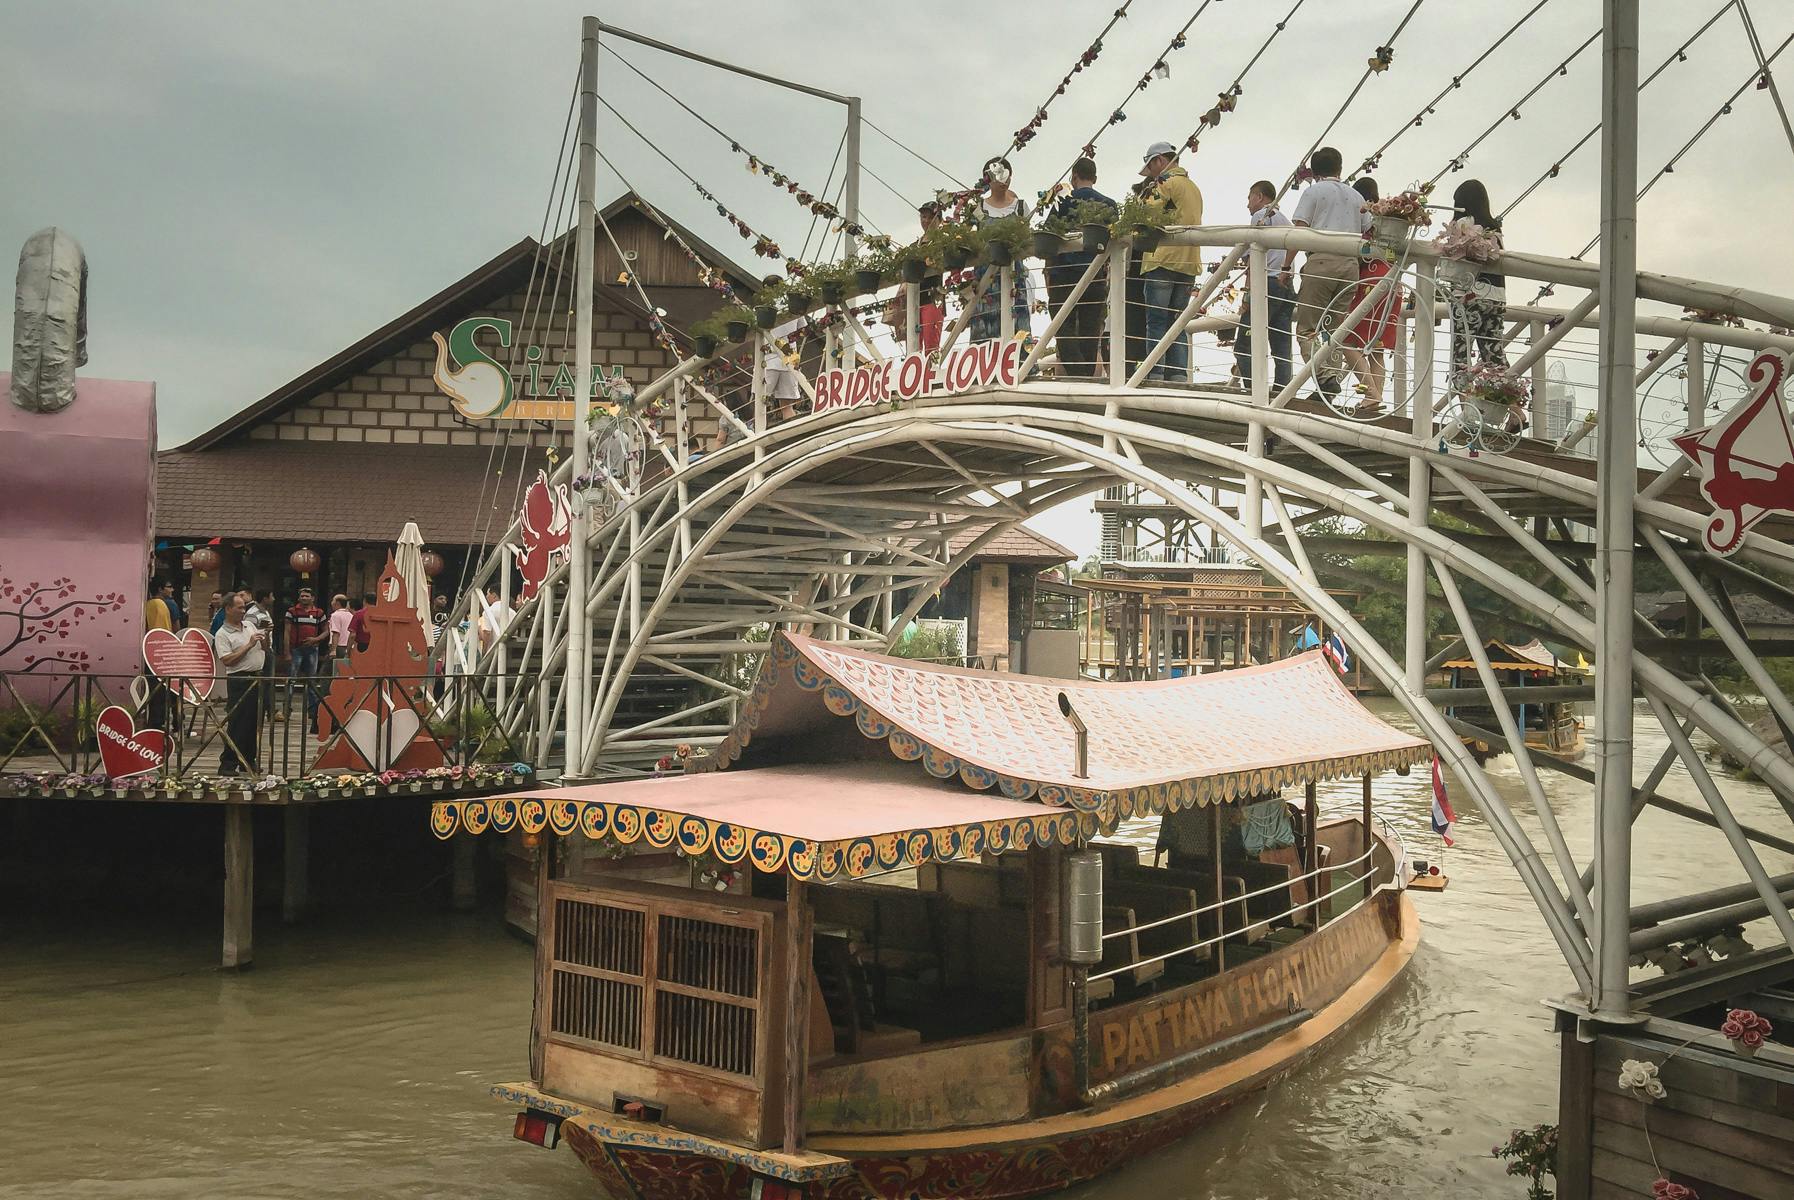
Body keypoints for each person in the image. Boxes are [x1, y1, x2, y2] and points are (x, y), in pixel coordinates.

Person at [1286, 147, 1365, 401]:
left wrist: (1286, 266)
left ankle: (1325, 378)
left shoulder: (1313, 192)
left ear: (1314, 171)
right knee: (1333, 328)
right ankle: (1327, 384)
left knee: (1308, 328)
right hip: (1350, 266)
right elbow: (1369, 231)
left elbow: (1299, 230)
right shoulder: (1356, 196)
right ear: (1340, 168)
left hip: (1320, 263)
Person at [1136, 141, 1204, 382]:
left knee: (1156, 321)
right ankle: (1178, 375)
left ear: (1159, 161)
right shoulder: (1193, 187)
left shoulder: (1164, 183)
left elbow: (1147, 215)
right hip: (1189, 262)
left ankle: (1155, 372)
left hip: (1162, 259)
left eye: (1151, 166)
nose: (1151, 173)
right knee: (1178, 321)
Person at [1045, 157, 1117, 378]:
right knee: (1090, 329)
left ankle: (1078, 372)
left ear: (1074, 177)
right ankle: (1085, 375)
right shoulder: (1110, 205)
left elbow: (1048, 234)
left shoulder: (1063, 202)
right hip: (1094, 274)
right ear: (1095, 178)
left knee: (1062, 325)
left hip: (1064, 274)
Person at [1340, 177, 1401, 414]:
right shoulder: (1391, 223)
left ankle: (1370, 394)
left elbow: (1362, 253)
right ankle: (1375, 399)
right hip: (1393, 284)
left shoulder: (1366, 223)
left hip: (1370, 282)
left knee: (1345, 339)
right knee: (1377, 347)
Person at [1235, 180, 1296, 392]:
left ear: (1260, 197)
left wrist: (1247, 296)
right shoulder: (1286, 221)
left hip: (1267, 284)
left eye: (1250, 197)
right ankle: (1282, 393)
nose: (1248, 204)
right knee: (1281, 346)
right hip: (1286, 286)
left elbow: (1253, 258)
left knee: (1243, 345)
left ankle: (1255, 391)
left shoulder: (1261, 216)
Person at [966, 157, 1032, 344]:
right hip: (986, 281)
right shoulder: (978, 210)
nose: (1002, 181)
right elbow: (969, 243)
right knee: (985, 336)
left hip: (1013, 279)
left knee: (1017, 327)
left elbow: (1027, 241)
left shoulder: (1020, 207)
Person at [1448, 178, 1508, 377]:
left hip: (1470, 296)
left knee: (1461, 358)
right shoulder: (1494, 228)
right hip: (1496, 297)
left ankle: (1466, 405)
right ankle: (1513, 404)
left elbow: (1452, 255)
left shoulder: (1464, 224)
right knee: (1496, 360)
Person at [214, 592, 268, 775]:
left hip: (257, 677)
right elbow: (228, 660)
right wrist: (248, 645)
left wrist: (265, 636)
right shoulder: (222, 634)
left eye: (244, 607)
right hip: (239, 680)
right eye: (239, 607)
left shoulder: (249, 625)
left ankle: (248, 761)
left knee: (253, 722)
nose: (243, 611)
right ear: (228, 609)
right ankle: (227, 763)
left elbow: (264, 648)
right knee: (237, 722)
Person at [286, 586, 327, 721]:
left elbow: (326, 631)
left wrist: (316, 639)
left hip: (312, 649)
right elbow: (286, 631)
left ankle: (313, 711)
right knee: (291, 680)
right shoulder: (292, 611)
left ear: (313, 598)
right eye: (302, 596)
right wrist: (287, 652)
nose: (304, 598)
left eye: (307, 596)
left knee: (312, 681)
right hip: (296, 649)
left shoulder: (319, 613)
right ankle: (287, 710)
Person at [478, 585, 514, 652]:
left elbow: (487, 634)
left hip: (493, 651)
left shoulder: (488, 611)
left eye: (488, 594)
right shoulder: (513, 612)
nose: (486, 596)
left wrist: (479, 626)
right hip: (510, 651)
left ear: (494, 596)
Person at [327, 593, 354, 664]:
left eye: (333, 600)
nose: (331, 603)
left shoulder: (335, 615)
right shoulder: (351, 615)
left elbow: (336, 633)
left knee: (328, 671)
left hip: (338, 647)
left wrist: (333, 650)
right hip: (349, 647)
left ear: (337, 603)